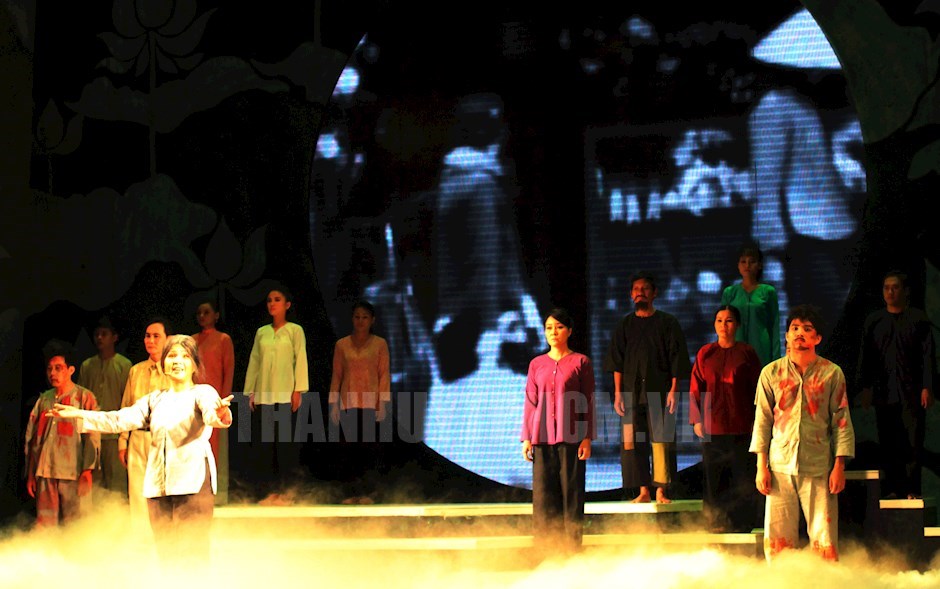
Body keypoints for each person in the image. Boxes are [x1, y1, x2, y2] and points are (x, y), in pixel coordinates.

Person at [50, 335, 233, 566]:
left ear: (195, 364)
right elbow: (118, 420)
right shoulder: (154, 400)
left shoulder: (203, 393)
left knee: (191, 553)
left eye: (185, 356)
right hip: (158, 488)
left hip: (192, 485)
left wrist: (220, 414)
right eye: (172, 356)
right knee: (166, 554)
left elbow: (213, 414)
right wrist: (79, 414)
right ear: (164, 363)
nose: (178, 361)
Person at [750, 304, 855, 562]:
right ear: (786, 335)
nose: (800, 334)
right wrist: (761, 466)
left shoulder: (832, 373)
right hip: (780, 463)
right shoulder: (771, 373)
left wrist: (839, 466)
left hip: (818, 462)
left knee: (823, 534)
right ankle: (781, 578)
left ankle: (824, 578)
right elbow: (762, 420)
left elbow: (841, 421)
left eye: (807, 329)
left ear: (817, 338)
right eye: (795, 328)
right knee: (778, 536)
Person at [604, 271, 691, 504]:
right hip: (630, 394)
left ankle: (661, 490)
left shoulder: (667, 323)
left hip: (659, 391)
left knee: (662, 441)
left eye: (644, 289)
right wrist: (618, 393)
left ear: (654, 293)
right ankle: (643, 490)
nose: (639, 293)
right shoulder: (624, 325)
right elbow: (616, 362)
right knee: (633, 442)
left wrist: (674, 390)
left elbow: (676, 359)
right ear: (631, 294)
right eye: (636, 289)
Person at [857, 270, 936, 499]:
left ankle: (912, 489)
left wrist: (927, 387)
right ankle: (892, 488)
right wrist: (865, 388)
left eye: (895, 287)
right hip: (884, 393)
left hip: (912, 392)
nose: (890, 292)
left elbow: (928, 356)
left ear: (905, 291)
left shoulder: (918, 319)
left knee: (912, 442)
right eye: (886, 288)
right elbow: (866, 357)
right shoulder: (874, 321)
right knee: (888, 442)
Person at [521, 308, 595, 552]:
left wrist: (587, 437)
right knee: (543, 495)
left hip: (572, 436)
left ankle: (571, 549)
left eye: (559, 327)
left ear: (569, 331)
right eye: (549, 328)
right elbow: (530, 402)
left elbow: (588, 401)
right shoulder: (536, 364)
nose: (553, 332)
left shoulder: (581, 362)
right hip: (541, 437)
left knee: (572, 494)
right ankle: (545, 549)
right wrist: (526, 438)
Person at [689, 305, 762, 532]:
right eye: (719, 320)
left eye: (729, 320)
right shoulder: (706, 353)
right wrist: (697, 419)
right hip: (712, 426)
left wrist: (758, 421)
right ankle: (715, 523)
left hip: (742, 425)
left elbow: (758, 389)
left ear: (737, 325)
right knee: (714, 477)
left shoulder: (747, 353)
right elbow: (696, 387)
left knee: (742, 477)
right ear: (714, 325)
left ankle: (742, 524)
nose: (724, 325)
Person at [243, 285, 309, 500]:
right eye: (269, 300)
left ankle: (286, 492)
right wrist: (250, 391)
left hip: (285, 394)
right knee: (266, 445)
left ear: (287, 305)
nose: (272, 303)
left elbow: (300, 358)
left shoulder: (295, 330)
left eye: (277, 299)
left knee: (285, 446)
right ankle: (270, 492)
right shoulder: (262, 332)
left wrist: (298, 390)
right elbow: (255, 361)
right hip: (264, 395)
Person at [24, 340, 100, 526]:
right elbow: (33, 439)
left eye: (58, 368)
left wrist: (87, 471)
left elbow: (93, 437)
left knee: (75, 525)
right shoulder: (44, 400)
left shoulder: (84, 398)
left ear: (70, 370)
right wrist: (31, 473)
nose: (53, 373)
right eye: (50, 369)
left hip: (72, 472)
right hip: (46, 471)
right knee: (45, 524)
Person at [328, 300, 390, 504]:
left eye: (365, 317)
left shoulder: (380, 344)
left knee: (369, 450)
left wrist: (383, 403)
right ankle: (350, 493)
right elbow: (337, 375)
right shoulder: (342, 345)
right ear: (352, 319)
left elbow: (384, 375)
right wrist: (333, 403)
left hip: (371, 403)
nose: (361, 321)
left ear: (372, 320)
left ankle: (368, 494)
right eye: (357, 317)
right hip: (348, 402)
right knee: (348, 451)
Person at [120, 318, 171, 524]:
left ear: (167, 339)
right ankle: (140, 537)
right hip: (138, 437)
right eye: (148, 336)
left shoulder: (174, 371)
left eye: (156, 336)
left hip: (163, 438)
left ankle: (165, 535)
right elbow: (126, 406)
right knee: (137, 493)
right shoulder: (136, 370)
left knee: (162, 493)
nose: (151, 340)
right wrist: (122, 441)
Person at [77, 316, 131, 497]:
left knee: (117, 486)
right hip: (92, 434)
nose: (99, 338)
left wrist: (125, 437)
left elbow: (128, 401)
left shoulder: (124, 365)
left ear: (114, 337)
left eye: (104, 334)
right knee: (94, 486)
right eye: (97, 334)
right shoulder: (87, 366)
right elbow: (81, 399)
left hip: (114, 435)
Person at [192, 300, 235, 505]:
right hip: (194, 400)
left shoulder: (223, 339)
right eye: (199, 312)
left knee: (215, 446)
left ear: (216, 315)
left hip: (216, 400)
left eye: (207, 312)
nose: (202, 316)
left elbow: (228, 370)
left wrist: (223, 400)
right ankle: (195, 492)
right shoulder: (192, 341)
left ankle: (217, 493)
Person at [720, 242, 781, 367]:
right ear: (738, 265)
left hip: (761, 349)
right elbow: (722, 325)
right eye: (743, 261)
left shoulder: (768, 292)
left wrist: (776, 359)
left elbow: (774, 326)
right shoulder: (730, 293)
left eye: (752, 261)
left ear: (759, 265)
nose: (747, 265)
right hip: (734, 350)